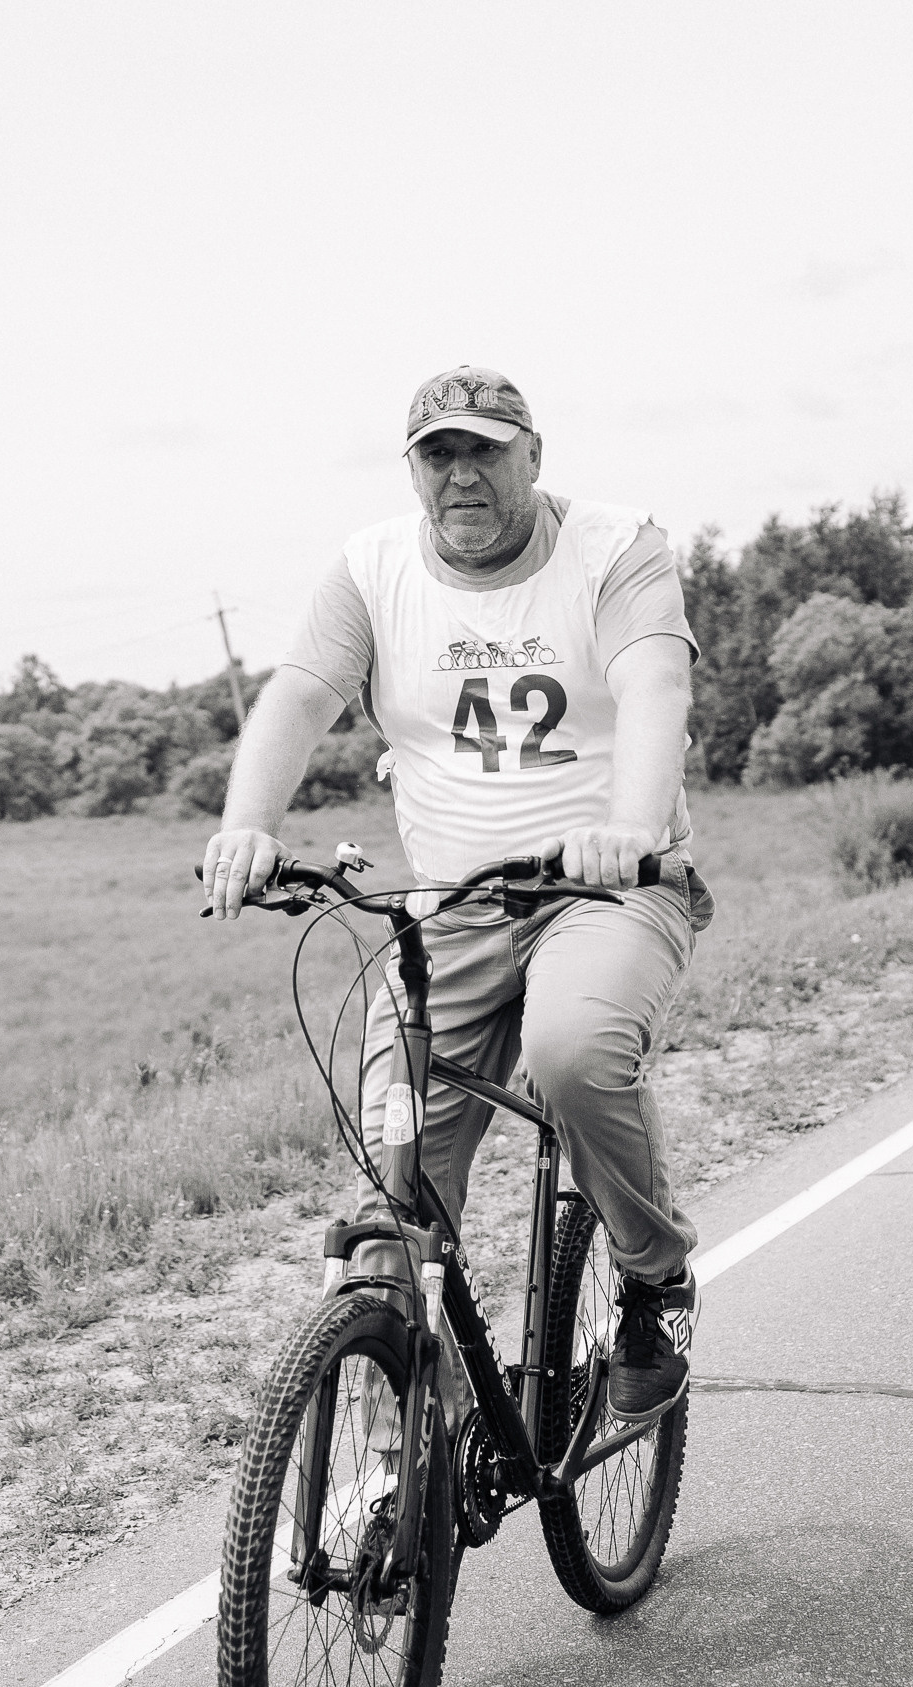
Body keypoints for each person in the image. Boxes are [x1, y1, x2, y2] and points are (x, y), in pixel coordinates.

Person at [200, 366, 708, 1424]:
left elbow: (655, 682)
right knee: (393, 1205)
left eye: (485, 450)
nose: (462, 475)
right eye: (439, 455)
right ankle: (409, 1457)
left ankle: (651, 1278)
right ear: (413, 470)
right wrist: (247, 824)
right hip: (448, 909)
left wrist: (629, 827)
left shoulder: (615, 548)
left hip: (600, 890)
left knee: (572, 1053)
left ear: (534, 455)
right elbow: (298, 697)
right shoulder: (372, 568)